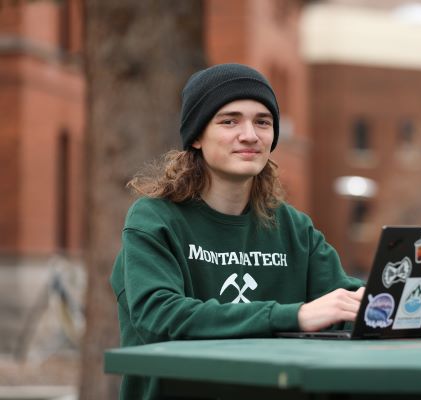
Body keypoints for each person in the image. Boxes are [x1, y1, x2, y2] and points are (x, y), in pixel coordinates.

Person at [110, 63, 365, 399]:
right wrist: (293, 316)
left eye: (263, 121)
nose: (250, 135)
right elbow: (159, 317)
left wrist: (380, 302)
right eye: (229, 121)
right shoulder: (155, 219)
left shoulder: (292, 227)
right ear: (197, 136)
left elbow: (345, 307)